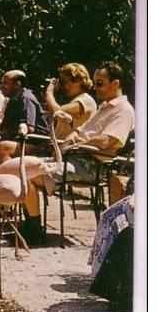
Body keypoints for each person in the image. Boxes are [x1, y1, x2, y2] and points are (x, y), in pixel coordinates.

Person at [23, 61, 135, 242]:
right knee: (23, 165)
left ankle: (33, 229)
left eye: (99, 83)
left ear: (116, 84)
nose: (94, 87)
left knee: (27, 173)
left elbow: (108, 141)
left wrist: (74, 144)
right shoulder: (104, 106)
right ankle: (28, 224)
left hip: (91, 165)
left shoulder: (124, 110)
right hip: (74, 158)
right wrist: (67, 143)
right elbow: (79, 131)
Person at [0, 70, 50, 172]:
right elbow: (3, 126)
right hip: (18, 142)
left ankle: (4, 183)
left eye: (5, 83)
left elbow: (29, 128)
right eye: (2, 82)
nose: (1, 86)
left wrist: (7, 132)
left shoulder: (26, 98)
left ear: (17, 85)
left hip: (37, 145)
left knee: (4, 147)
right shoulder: (12, 99)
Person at [45, 63, 97, 140]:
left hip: (71, 148)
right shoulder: (75, 101)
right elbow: (52, 121)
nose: (63, 86)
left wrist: (49, 93)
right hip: (57, 146)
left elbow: (56, 112)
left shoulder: (86, 100)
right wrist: (51, 98)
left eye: (64, 82)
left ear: (78, 80)